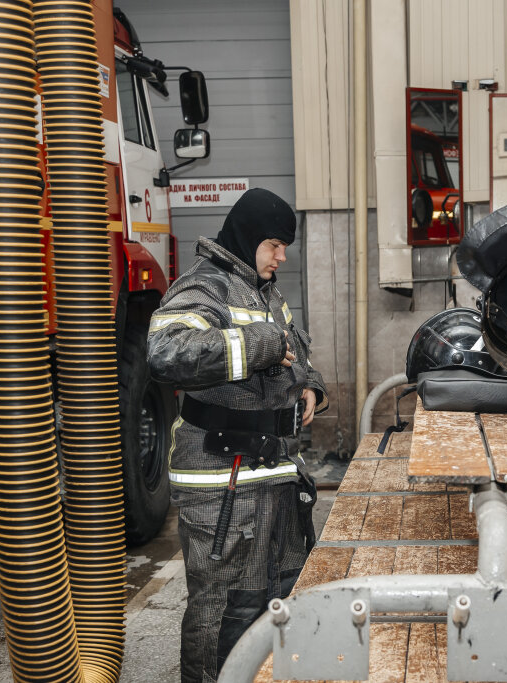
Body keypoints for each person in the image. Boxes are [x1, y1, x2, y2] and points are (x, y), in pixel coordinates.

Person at [147, 188, 327, 682]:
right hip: (221, 482)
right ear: (248, 237)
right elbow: (166, 352)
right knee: (224, 611)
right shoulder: (204, 288)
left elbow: (294, 353)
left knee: (277, 599)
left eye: (284, 247)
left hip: (273, 473)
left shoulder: (265, 291)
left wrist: (310, 386)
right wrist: (257, 344)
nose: (281, 256)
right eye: (274, 244)